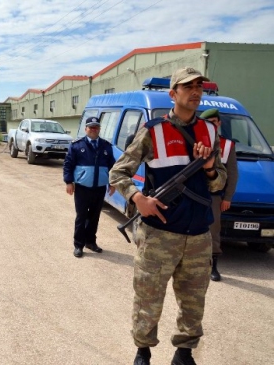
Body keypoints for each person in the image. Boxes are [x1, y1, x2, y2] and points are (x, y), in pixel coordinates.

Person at [108, 67, 227, 365]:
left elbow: (219, 181)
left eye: (199, 86)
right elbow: (118, 172)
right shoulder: (153, 130)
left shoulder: (211, 131)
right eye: (188, 87)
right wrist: (138, 198)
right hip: (159, 233)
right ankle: (143, 351)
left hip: (199, 233)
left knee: (193, 300)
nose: (195, 91)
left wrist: (211, 167)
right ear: (173, 94)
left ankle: (184, 352)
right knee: (148, 296)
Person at [63, 116, 116, 258]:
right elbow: (68, 165)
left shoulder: (106, 146)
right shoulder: (77, 146)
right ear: (86, 129)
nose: (93, 129)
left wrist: (112, 183)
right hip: (82, 187)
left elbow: (112, 166)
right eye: (91, 127)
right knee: (81, 216)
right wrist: (69, 182)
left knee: (94, 217)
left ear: (99, 129)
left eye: (96, 127)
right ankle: (78, 245)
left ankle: (91, 242)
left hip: (99, 188)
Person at [199, 108, 239, 281]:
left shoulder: (227, 145)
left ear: (219, 123)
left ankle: (213, 266)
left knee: (213, 229)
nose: (211, 126)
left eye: (214, 122)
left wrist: (228, 197)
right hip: (192, 193)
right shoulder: (195, 141)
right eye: (208, 123)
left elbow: (232, 173)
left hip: (214, 195)